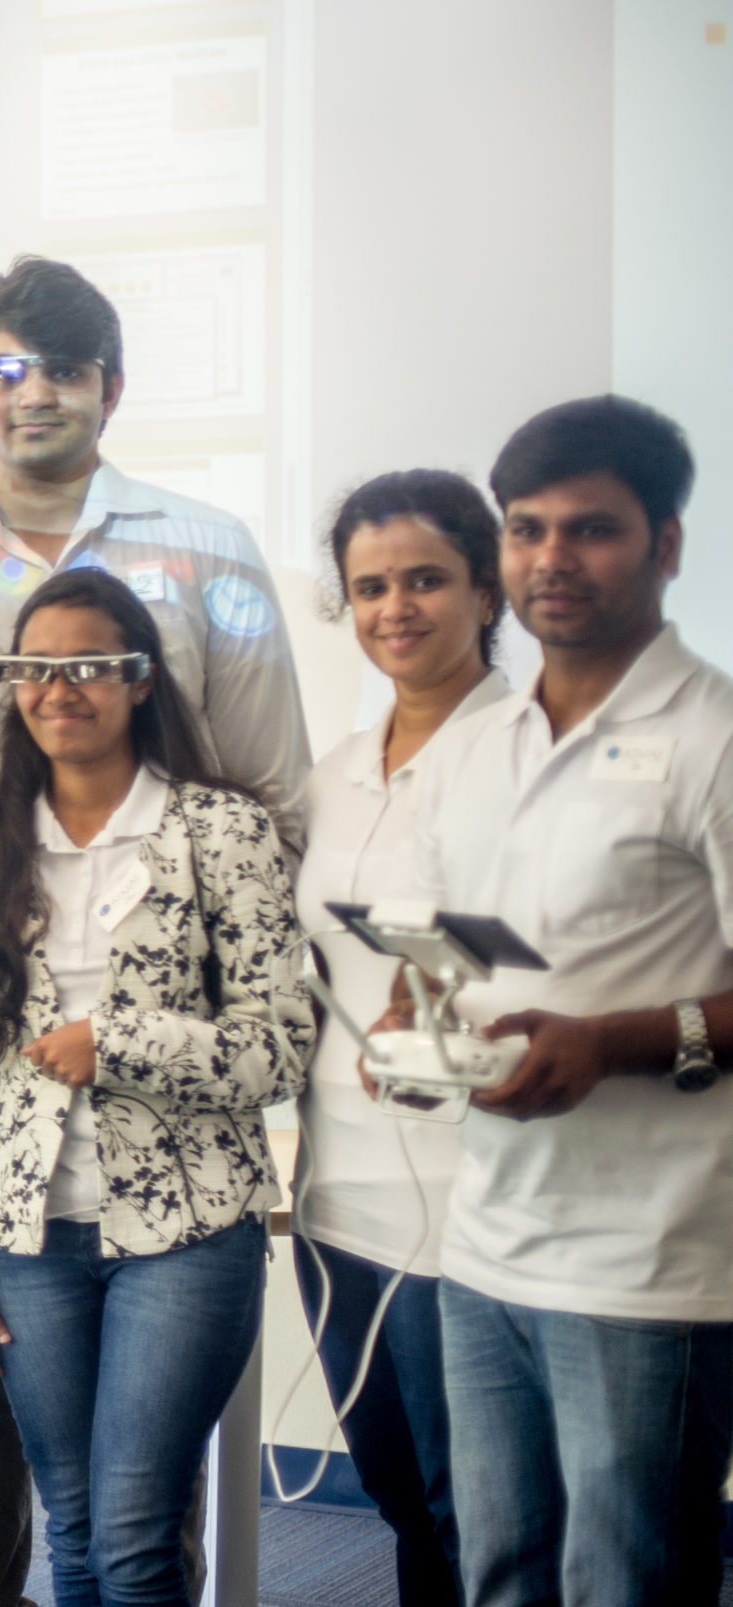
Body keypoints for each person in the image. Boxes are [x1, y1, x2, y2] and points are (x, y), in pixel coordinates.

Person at [0, 254, 313, 1607]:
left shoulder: (206, 551)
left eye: (59, 365)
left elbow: (274, 791)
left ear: (110, 387)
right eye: (1, 367)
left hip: (168, 1107)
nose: (29, 390)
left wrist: (174, 1021)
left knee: (137, 1507)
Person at [0, 567, 311, 1607]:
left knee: (132, 1531)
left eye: (89, 665)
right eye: (34, 668)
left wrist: (122, 1041)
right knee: (76, 1530)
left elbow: (280, 1045)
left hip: (183, 1233)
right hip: (23, 1235)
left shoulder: (220, 831)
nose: (59, 688)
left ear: (139, 680)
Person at [403, 396, 732, 1607]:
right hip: (486, 1240)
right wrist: (414, 1021)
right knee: (500, 1577)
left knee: (626, 1581)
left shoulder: (714, 734)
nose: (551, 559)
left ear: (666, 544)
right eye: (525, 528)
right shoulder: (477, 743)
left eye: (590, 529)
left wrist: (612, 1043)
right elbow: (444, 946)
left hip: (650, 1257)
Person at [290, 470, 509, 1604]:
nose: (395, 608)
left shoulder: (533, 755)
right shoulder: (332, 771)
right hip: (338, 1199)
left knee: (477, 1508)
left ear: (487, 585)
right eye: (369, 586)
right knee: (396, 1492)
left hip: (473, 1200)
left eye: (425, 578)